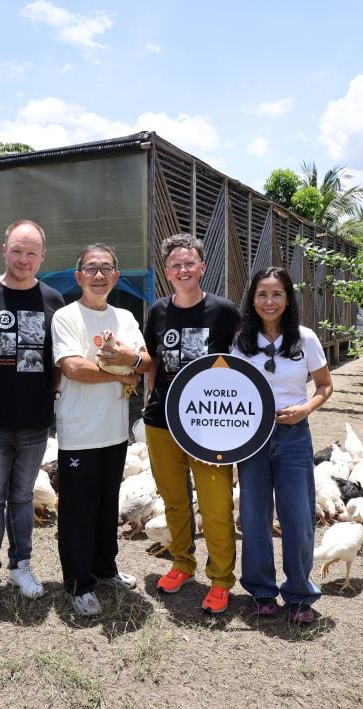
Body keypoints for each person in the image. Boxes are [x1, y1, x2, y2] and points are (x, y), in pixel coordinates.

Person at [0, 219, 64, 620]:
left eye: (31, 253)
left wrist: (51, 394)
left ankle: (22, 566)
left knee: (23, 498)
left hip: (34, 422)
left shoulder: (53, 300)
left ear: (42, 257)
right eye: (17, 250)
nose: (24, 259)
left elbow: (59, 358)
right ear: (4, 250)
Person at [142, 233, 241, 614]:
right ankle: (182, 562)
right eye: (176, 265)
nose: (183, 270)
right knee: (174, 500)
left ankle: (220, 580)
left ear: (202, 267)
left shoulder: (225, 312)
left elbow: (241, 368)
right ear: (167, 272)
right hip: (161, 422)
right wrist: (159, 401)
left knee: (216, 506)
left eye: (190, 263)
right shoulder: (158, 312)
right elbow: (153, 364)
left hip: (209, 427)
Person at [230, 267, 333, 625]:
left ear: (287, 298)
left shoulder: (305, 339)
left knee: (298, 516)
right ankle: (261, 590)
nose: (269, 301)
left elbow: (324, 386)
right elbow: (229, 388)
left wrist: (305, 407)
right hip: (252, 438)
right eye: (262, 294)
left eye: (276, 294)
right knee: (254, 516)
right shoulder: (241, 340)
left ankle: (300, 593)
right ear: (252, 299)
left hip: (294, 436)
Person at [52, 243, 150, 615]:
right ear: (79, 277)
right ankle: (79, 584)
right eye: (91, 268)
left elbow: (145, 361)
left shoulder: (124, 317)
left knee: (108, 506)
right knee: (78, 510)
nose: (98, 274)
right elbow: (73, 368)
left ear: (116, 276)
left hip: (114, 431)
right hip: (80, 431)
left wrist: (132, 363)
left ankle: (105, 568)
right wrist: (124, 368)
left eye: (106, 268)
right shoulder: (66, 317)